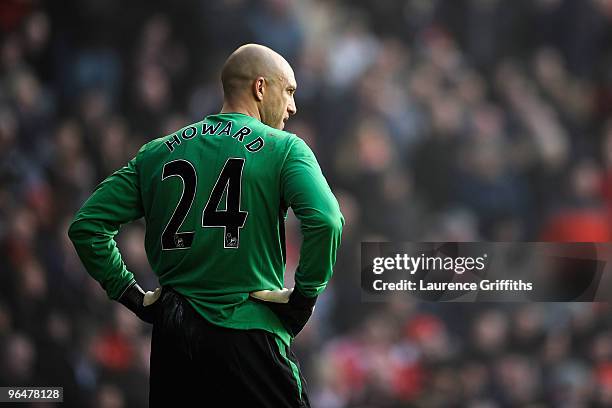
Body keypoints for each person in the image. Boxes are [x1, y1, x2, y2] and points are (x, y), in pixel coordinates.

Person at [68, 43, 344, 407]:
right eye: (289, 90)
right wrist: (305, 297)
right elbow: (326, 220)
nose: (293, 106)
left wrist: (130, 294)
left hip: (175, 342)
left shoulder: (157, 153)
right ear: (260, 88)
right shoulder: (285, 149)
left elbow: (87, 225)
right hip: (249, 335)